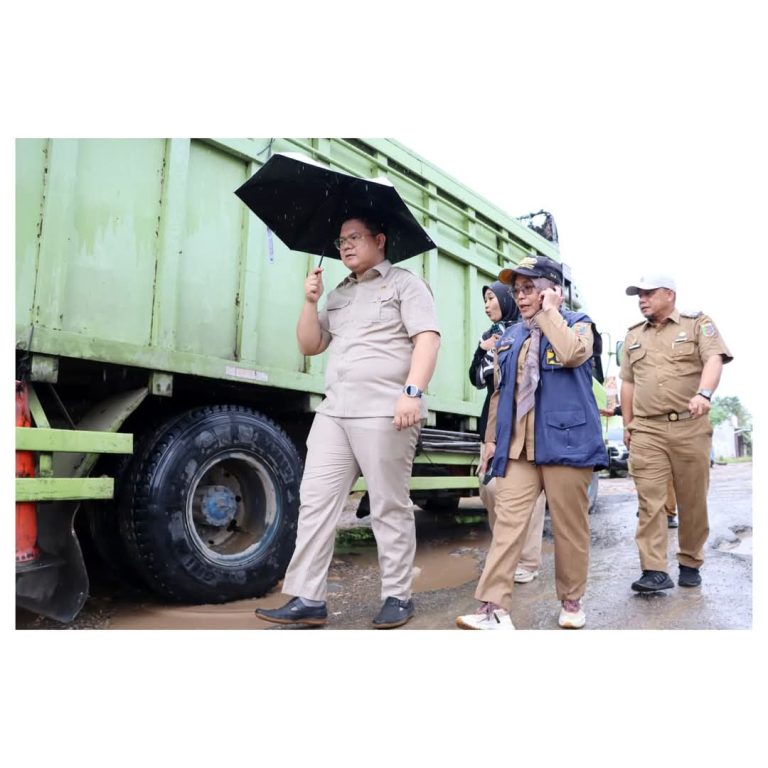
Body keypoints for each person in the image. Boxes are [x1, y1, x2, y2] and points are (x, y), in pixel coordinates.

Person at [255, 214, 441, 628]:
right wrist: (309, 301)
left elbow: (427, 339)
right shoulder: (339, 292)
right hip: (335, 411)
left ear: (380, 239)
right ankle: (308, 597)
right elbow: (310, 344)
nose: (346, 246)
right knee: (315, 501)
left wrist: (412, 392)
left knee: (388, 505)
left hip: (385, 410)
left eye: (354, 238)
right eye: (341, 241)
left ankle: (397, 596)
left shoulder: (405, 284)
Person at [456, 255, 607, 630]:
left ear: (552, 290)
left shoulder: (579, 324)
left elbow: (572, 353)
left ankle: (571, 600)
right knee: (507, 524)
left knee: (569, 528)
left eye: (529, 288)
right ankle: (493, 608)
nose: (520, 296)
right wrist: (491, 441)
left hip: (566, 444)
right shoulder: (511, 336)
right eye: (517, 290)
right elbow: (499, 393)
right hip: (518, 448)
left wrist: (550, 312)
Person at [620, 274, 732, 592]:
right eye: (638, 295)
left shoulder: (697, 324)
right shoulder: (633, 336)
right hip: (647, 429)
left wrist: (704, 394)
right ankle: (654, 570)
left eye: (648, 293)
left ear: (669, 294)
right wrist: (628, 424)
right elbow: (627, 382)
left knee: (692, 501)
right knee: (650, 501)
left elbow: (714, 359)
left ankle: (690, 561)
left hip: (689, 425)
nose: (641, 300)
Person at [469, 281, 546, 584]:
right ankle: (504, 553)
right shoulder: (489, 336)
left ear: (506, 300)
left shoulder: (528, 330)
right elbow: (477, 380)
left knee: (529, 494)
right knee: (489, 488)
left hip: (523, 418)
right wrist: (482, 350)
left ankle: (526, 560)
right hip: (492, 419)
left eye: (492, 298)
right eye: (485, 300)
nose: (487, 305)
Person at [600, 403, 678, 528]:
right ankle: (647, 507)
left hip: (662, 428)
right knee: (642, 472)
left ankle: (667, 513)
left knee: (665, 474)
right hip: (643, 429)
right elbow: (636, 400)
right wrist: (616, 411)